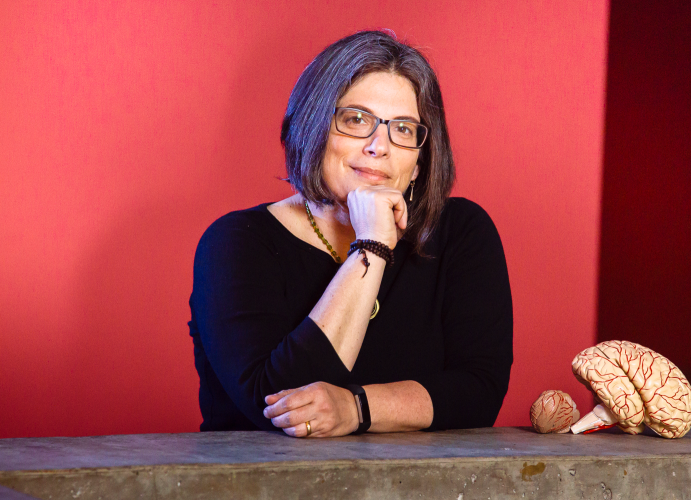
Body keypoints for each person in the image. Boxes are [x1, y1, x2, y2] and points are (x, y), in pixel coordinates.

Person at [189, 30, 513, 438]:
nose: (380, 146)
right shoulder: (236, 243)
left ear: (417, 162)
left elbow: (479, 391)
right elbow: (278, 406)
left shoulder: (460, 232)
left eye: (404, 129)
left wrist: (356, 406)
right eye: (357, 119)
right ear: (313, 128)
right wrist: (372, 245)